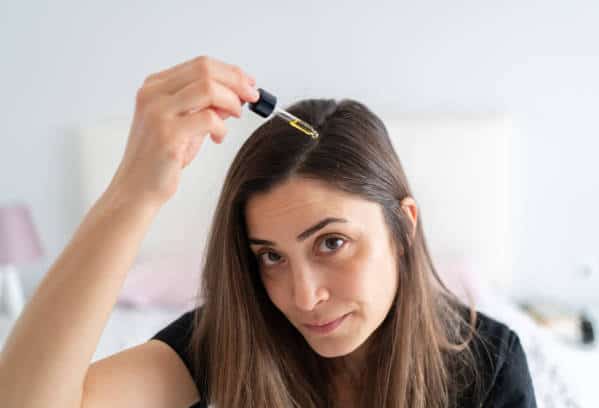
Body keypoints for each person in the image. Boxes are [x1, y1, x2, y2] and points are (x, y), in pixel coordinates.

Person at [0, 55, 537, 408]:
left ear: (403, 228)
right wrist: (133, 193)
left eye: (332, 243)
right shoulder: (228, 340)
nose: (304, 297)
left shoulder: (486, 364)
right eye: (270, 257)